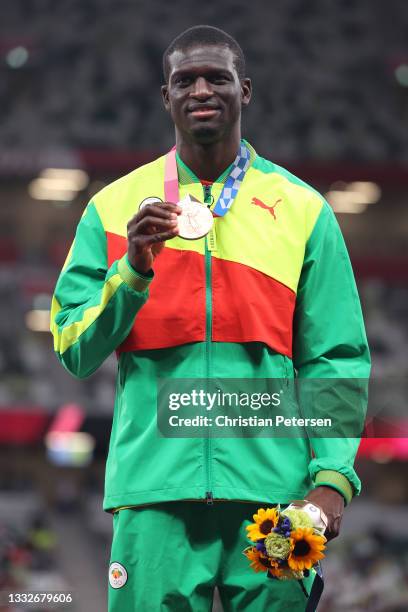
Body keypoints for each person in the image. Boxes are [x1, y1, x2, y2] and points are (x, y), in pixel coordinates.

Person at [50, 25, 370, 611]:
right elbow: (73, 346)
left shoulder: (303, 209)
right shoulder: (114, 207)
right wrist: (131, 273)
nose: (201, 89)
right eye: (184, 80)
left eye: (216, 78)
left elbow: (336, 357)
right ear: (164, 97)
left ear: (244, 91)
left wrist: (331, 481)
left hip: (276, 500)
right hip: (155, 496)